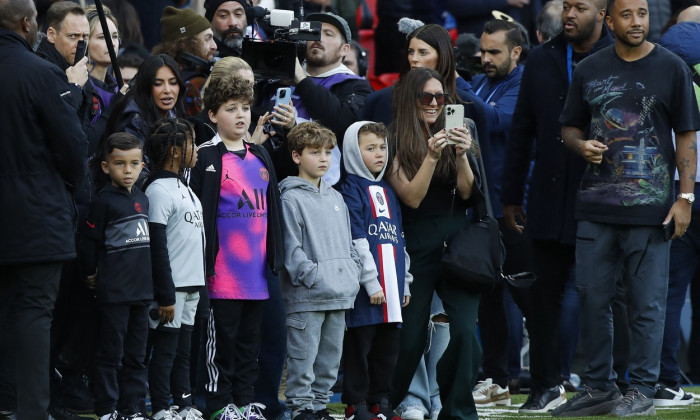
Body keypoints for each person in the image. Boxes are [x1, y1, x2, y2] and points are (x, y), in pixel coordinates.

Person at [552, 0, 700, 416]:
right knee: (592, 300)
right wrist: (580, 145)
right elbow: (568, 126)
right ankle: (599, 388)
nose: (637, 22)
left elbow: (687, 136)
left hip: (652, 210)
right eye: (627, 14)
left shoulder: (672, 67)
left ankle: (643, 389)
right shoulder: (589, 68)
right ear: (609, 19)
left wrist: (685, 198)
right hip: (595, 207)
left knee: (648, 305)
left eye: (643, 13)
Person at [500, 0, 614, 413]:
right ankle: (545, 385)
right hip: (548, 198)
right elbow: (522, 130)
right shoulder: (543, 58)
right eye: (566, 6)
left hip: (605, 197)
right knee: (542, 296)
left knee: (604, 296)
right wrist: (512, 195)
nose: (569, 14)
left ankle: (608, 383)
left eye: (580, 7)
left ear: (603, 14)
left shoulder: (622, 56)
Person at [0, 0, 86, 417]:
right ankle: (30, 411)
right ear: (27, 23)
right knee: (34, 316)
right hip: (37, 219)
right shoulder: (41, 74)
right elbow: (73, 147)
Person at [386, 67, 480, 420]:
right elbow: (410, 197)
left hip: (459, 242)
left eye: (441, 98)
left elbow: (470, 192)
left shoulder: (461, 131)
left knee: (465, 331)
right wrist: (431, 156)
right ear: (412, 99)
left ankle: (457, 409)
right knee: (410, 337)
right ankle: (390, 401)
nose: (435, 104)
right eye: (427, 97)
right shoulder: (395, 137)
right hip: (417, 240)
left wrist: (460, 155)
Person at [190, 73, 284, 420]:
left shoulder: (260, 155)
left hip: (256, 276)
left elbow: (272, 208)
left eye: (245, 107)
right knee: (220, 347)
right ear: (213, 115)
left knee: (250, 346)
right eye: (231, 108)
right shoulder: (205, 158)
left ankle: (245, 402)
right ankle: (218, 404)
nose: (242, 115)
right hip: (221, 277)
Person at [464, 18, 532, 408]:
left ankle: (549, 378)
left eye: (494, 52)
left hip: (514, 205)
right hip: (486, 206)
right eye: (483, 51)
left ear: (516, 52)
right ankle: (496, 379)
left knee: (527, 297)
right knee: (488, 296)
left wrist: (460, 86)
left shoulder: (521, 83)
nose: (485, 58)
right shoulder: (486, 83)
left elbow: (496, 122)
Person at [279, 122, 361, 420]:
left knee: (329, 360)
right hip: (307, 297)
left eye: (328, 152)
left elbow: (349, 242)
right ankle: (301, 409)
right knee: (303, 357)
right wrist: (314, 277)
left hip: (339, 294)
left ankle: (319, 406)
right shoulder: (288, 197)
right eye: (315, 152)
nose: (324, 158)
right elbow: (291, 249)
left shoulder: (336, 197)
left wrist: (351, 273)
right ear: (297, 156)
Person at [338, 121, 412, 420]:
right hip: (366, 290)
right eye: (370, 148)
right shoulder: (350, 188)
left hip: (392, 288)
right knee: (360, 346)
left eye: (382, 147)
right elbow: (356, 238)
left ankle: (381, 401)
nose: (379, 154)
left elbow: (399, 238)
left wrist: (404, 283)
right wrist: (371, 282)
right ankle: (356, 403)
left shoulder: (388, 190)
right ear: (353, 152)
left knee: (387, 348)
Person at [81, 133, 151, 420]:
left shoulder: (144, 199)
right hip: (115, 293)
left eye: (134, 163)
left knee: (136, 356)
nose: (128, 170)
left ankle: (131, 408)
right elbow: (88, 242)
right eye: (120, 164)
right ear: (106, 166)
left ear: (142, 165)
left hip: (142, 293)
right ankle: (107, 409)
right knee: (111, 354)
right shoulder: (102, 202)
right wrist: (89, 273)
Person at [142, 118, 205, 420]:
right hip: (172, 289)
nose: (197, 150)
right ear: (177, 151)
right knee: (165, 352)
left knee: (184, 352)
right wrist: (165, 294)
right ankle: (160, 407)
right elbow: (157, 246)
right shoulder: (157, 190)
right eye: (192, 143)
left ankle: (184, 404)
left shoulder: (185, 187)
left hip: (192, 285)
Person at [264, 12, 374, 183]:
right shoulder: (278, 80)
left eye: (328, 34)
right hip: (269, 179)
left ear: (344, 49)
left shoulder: (356, 85)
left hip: (325, 187)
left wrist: (301, 79)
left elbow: (340, 122)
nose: (317, 37)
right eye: (312, 32)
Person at [654, 10, 700, 407]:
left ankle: (666, 377)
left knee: (668, 291)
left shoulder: (664, 66)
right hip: (683, 188)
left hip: (674, 189)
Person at [105, 54, 186, 145]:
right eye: (158, 83)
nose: (167, 90)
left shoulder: (175, 113)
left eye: (173, 83)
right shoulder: (134, 120)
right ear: (146, 87)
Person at [154, 6, 217, 117]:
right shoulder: (193, 86)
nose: (214, 46)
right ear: (185, 44)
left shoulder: (157, 71)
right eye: (207, 38)